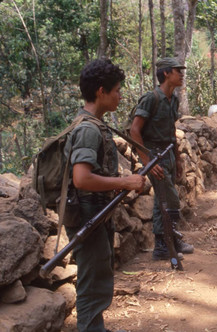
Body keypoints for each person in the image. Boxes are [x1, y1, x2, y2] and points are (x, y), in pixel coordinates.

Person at [64, 59, 145, 332]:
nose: (120, 95)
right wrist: (125, 182)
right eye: (117, 90)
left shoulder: (93, 124)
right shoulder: (88, 129)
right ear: (101, 91)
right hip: (88, 217)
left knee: (98, 277)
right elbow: (82, 178)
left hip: (96, 216)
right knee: (91, 282)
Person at [130, 57, 194, 261]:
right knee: (169, 200)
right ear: (166, 73)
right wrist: (148, 161)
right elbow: (134, 130)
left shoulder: (173, 100)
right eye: (177, 71)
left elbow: (170, 131)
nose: (181, 74)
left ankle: (169, 241)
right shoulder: (151, 98)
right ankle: (164, 244)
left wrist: (177, 158)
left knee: (163, 200)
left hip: (167, 154)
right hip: (154, 155)